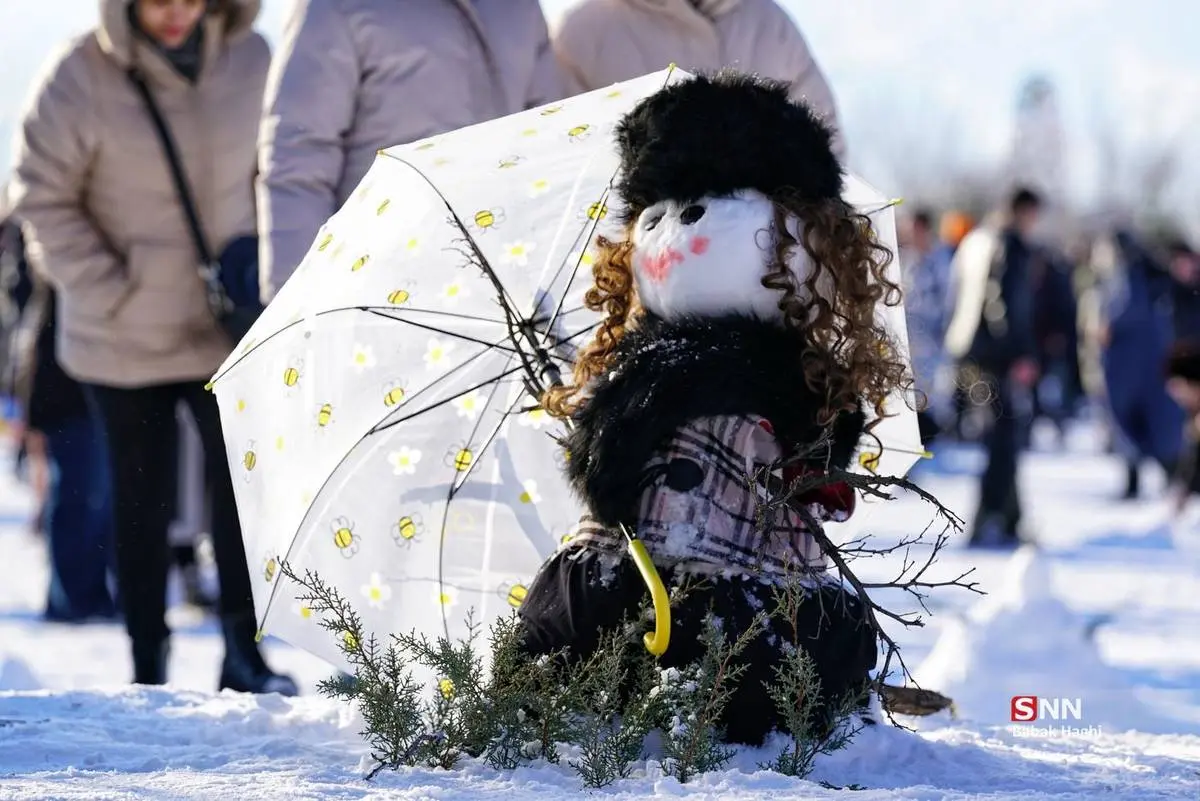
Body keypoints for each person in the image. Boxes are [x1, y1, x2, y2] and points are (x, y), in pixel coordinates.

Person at [512, 73, 904, 744]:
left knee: (755, 662)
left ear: (805, 241)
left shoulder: (764, 372)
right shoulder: (645, 365)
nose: (672, 237)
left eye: (703, 209)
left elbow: (821, 451)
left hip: (737, 607)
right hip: (639, 589)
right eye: (656, 217)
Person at [8, 0, 295, 693]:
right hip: (122, 332)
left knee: (242, 494)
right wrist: (111, 287)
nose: (177, 13)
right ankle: (147, 661)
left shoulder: (254, 59)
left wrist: (266, 265)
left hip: (224, 324)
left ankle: (242, 651)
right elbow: (40, 195)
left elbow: (285, 164)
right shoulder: (78, 75)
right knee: (140, 501)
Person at [257, 0, 567, 301]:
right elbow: (299, 158)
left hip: (503, 279)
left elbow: (551, 146)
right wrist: (296, 305)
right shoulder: (335, 6)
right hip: (377, 288)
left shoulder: (517, 8)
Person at [2, 214, 117, 622]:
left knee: (93, 495)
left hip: (79, 378)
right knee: (75, 492)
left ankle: (86, 593)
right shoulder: (42, 236)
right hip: (60, 381)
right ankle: (72, 598)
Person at [551, 0, 846, 156]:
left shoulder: (768, 21)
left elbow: (822, 140)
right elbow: (571, 159)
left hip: (768, 251)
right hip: (641, 256)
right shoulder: (584, 34)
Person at [944, 189, 1043, 547]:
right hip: (998, 357)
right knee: (1004, 437)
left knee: (1003, 435)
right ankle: (987, 521)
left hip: (969, 351)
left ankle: (1010, 519)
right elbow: (1004, 300)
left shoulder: (976, 240)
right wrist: (1020, 354)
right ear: (1023, 211)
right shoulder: (1010, 244)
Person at [1091, 230, 1183, 499]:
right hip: (1144, 360)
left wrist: (1108, 326)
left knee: (1132, 420)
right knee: (1148, 421)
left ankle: (1164, 478)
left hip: (1131, 362)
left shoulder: (1130, 274)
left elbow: (1127, 308)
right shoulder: (1145, 273)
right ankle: (1165, 477)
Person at [900, 208, 954, 446]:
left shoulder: (942, 262)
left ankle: (930, 440)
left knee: (932, 400)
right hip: (908, 342)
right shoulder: (906, 262)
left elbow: (949, 302)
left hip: (934, 343)